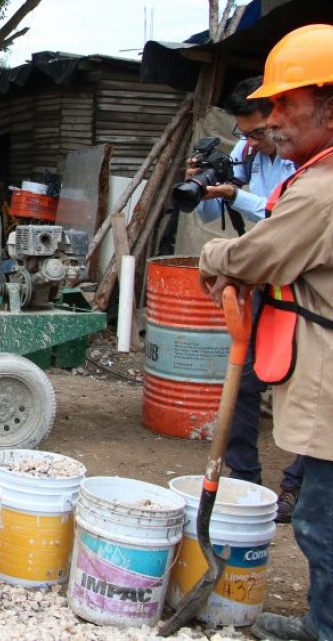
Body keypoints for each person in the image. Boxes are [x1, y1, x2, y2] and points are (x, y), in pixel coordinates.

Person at [197, 24, 333, 641]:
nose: (273, 118)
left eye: (286, 103)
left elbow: (259, 255)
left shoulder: (322, 190)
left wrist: (215, 258)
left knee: (322, 523)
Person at [188, 76, 303, 523]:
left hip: (304, 275)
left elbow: (284, 217)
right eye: (245, 133)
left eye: (257, 132)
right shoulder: (245, 152)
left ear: (279, 118)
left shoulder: (306, 157)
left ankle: (296, 485)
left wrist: (238, 197)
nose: (250, 142)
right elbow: (212, 212)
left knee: (307, 383)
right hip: (263, 276)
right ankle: (245, 476)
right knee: (244, 376)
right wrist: (201, 186)